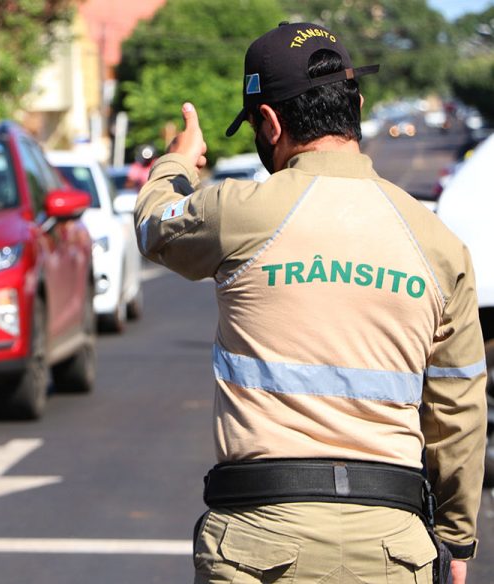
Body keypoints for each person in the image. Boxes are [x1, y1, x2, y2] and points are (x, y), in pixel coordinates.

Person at [134, 22, 486, 584]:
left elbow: (155, 225)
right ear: (358, 106)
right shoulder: (439, 244)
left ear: (269, 122)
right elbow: (458, 409)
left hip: (260, 544)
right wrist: (456, 539)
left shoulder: (241, 211)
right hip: (394, 548)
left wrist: (177, 162)